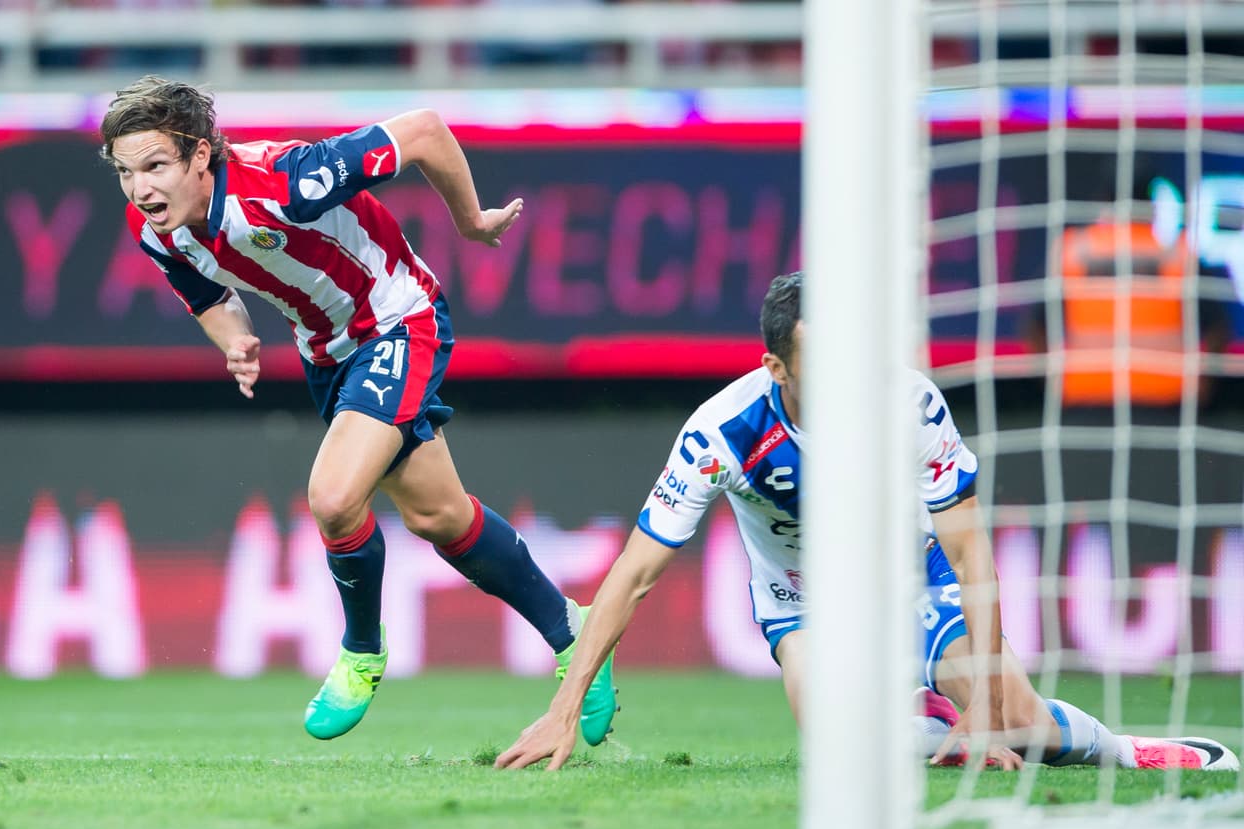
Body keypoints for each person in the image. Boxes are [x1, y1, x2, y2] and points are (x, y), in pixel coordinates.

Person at [495, 271, 1240, 773]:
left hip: (911, 574)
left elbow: (972, 553)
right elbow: (633, 573)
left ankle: (1126, 752)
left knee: (1015, 721)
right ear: (775, 368)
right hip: (803, 597)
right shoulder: (722, 431)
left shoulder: (906, 403)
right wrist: (564, 710)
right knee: (842, 752)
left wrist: (982, 708)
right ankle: (925, 720)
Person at [98, 75, 616, 744]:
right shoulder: (161, 234)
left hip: (400, 325)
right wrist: (236, 341)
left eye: (155, 166)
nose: (141, 189)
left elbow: (426, 129)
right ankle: (575, 634)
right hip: (329, 356)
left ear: (201, 155)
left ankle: (361, 652)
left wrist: (470, 221)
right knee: (438, 515)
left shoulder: (291, 181)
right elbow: (204, 295)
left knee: (335, 497)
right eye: (126, 172)